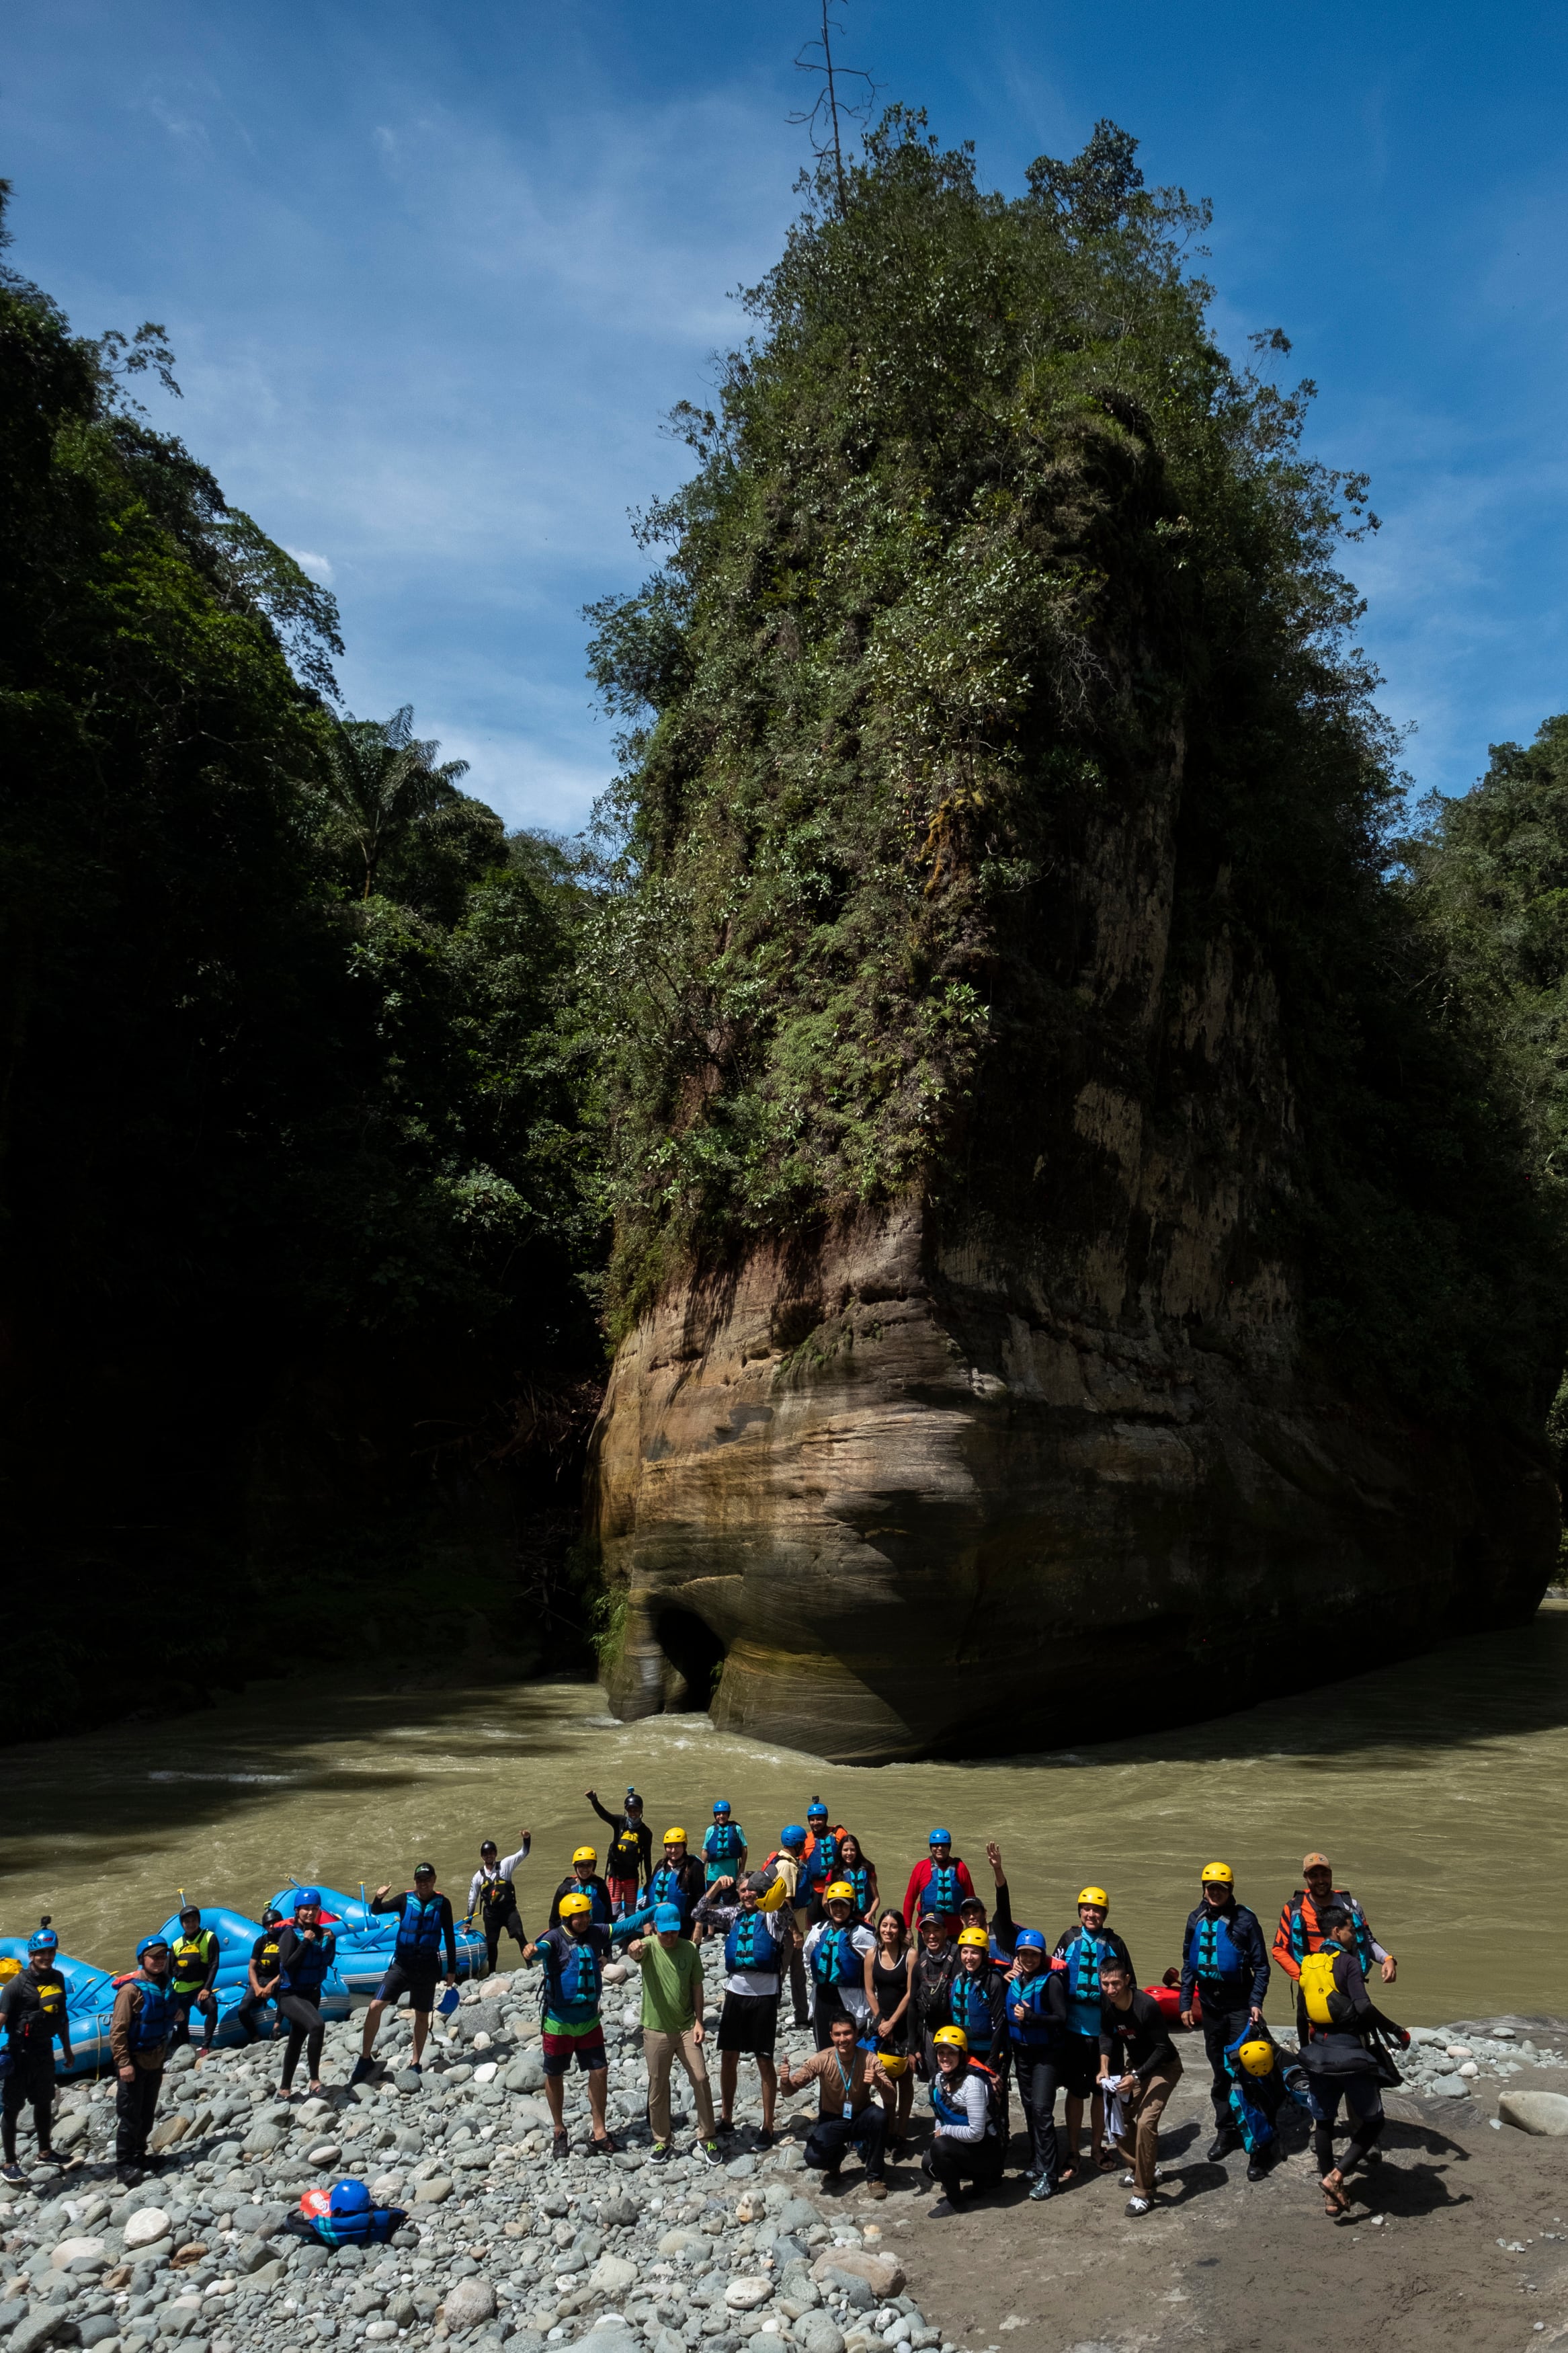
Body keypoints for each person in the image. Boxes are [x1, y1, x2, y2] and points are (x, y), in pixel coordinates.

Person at [1297, 1905, 1389, 2217]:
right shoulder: (1348, 1963)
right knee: (1375, 2120)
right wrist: (1395, 2030)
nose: (1354, 1935)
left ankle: (1330, 2197)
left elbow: (1302, 2013)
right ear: (1337, 1932)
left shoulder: (1307, 1964)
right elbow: (1363, 2008)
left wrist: (1307, 2052)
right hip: (1349, 2051)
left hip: (1318, 2050)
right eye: (1351, 1930)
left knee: (1323, 2122)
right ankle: (1337, 2176)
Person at [1179, 1862, 1270, 2169]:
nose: (1214, 1893)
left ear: (1230, 1890)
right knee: (1220, 2072)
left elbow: (1261, 1966)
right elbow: (1189, 1965)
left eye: (1220, 1888)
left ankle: (1259, 2142)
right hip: (1211, 2007)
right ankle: (1227, 2131)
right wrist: (1183, 2004)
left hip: (1240, 2006)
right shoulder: (1196, 1918)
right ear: (1204, 1890)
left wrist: (1256, 2002)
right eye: (1210, 1888)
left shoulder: (1245, 1921)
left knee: (1246, 2072)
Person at [523, 1890, 620, 2159]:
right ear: (567, 1918)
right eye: (579, 1916)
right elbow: (541, 1950)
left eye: (587, 1914)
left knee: (599, 2071)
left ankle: (599, 2132)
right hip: (559, 2023)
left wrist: (657, 1911)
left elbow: (626, 1926)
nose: (585, 1920)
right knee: (554, 2076)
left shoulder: (595, 1933)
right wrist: (532, 1949)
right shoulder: (554, 1938)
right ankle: (559, 2130)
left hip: (589, 2019)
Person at [626, 1902, 721, 2165]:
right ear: (655, 1929)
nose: (669, 1937)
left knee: (701, 2078)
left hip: (687, 2027)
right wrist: (632, 1948)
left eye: (673, 1932)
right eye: (664, 1932)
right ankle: (662, 2141)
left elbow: (697, 1987)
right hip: (656, 2030)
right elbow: (635, 1953)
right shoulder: (648, 1947)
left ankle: (707, 2137)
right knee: (658, 2084)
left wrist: (700, 2022)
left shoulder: (689, 1949)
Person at [1052, 1885, 1134, 2178]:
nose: (1091, 1914)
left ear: (1104, 1914)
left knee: (1102, 2092)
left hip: (1106, 2032)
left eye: (1097, 1910)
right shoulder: (1069, 1939)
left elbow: (1130, 1986)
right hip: (1073, 2032)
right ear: (1080, 1912)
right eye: (1086, 1909)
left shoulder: (1115, 1943)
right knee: (1075, 2093)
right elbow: (1051, 1976)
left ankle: (1097, 2148)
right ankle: (1073, 2151)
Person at [355, 1863, 458, 2083]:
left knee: (422, 2016)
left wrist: (451, 1970)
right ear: (415, 1882)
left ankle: (415, 2062)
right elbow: (377, 1911)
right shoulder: (404, 1899)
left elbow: (449, 1936)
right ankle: (365, 2059)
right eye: (420, 1879)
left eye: (427, 1879)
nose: (424, 1883)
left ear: (434, 1880)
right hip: (402, 1965)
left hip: (428, 1967)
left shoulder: (443, 1904)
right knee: (375, 2007)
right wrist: (378, 1897)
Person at [1098, 1953, 1183, 2217]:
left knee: (1146, 2123)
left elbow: (1162, 2048)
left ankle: (1143, 2193)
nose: (1111, 1990)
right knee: (1117, 2115)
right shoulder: (1108, 2004)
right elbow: (1107, 2035)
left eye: (1116, 1984)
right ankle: (1143, 2170)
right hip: (1135, 2066)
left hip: (1164, 2067)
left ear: (1127, 1980)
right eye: (1105, 1984)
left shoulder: (1146, 2006)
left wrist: (1135, 2077)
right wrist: (1103, 2068)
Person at [710, 1868, 791, 2144]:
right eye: (743, 1890)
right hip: (735, 1993)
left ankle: (768, 2126)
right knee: (728, 2057)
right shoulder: (733, 1916)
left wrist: (770, 1888)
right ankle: (726, 2118)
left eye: (752, 1890)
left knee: (763, 2059)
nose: (747, 1895)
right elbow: (698, 1913)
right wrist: (715, 1889)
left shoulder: (773, 1918)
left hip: (765, 1996)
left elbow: (787, 1915)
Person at [778, 2010, 895, 2200]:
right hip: (832, 2119)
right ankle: (834, 2162)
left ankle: (875, 2177)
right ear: (831, 2036)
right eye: (838, 2034)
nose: (843, 2039)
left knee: (879, 2117)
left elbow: (891, 2097)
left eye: (847, 2033)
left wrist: (879, 2083)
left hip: (861, 2115)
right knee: (813, 2157)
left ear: (856, 2033)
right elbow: (789, 2091)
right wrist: (785, 2081)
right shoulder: (822, 2059)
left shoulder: (869, 2059)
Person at [0, 1923, 72, 2180]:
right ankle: (9, 2164)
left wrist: (67, 2049)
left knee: (44, 2102)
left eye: (51, 1952)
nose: (47, 1957)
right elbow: (1, 2018)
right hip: (19, 2055)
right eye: (42, 1953)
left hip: (44, 2051)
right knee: (12, 2108)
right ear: (31, 1955)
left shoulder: (58, 1978)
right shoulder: (16, 1986)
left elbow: (61, 2017)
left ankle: (45, 2153)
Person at [1007, 1928, 1068, 2200]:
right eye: (1024, 1954)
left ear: (1042, 1956)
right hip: (1022, 2054)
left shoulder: (1051, 1982)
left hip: (1046, 2055)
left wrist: (1031, 2017)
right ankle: (1036, 2164)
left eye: (1034, 1955)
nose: (1029, 1959)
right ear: (1018, 1957)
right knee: (1030, 2108)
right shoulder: (1015, 1981)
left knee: (1043, 2111)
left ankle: (1050, 2177)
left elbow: (1060, 2018)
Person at [1272, 1854, 1397, 1988]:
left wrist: (1387, 1959)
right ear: (1306, 1878)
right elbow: (1279, 1950)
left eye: (1324, 1874)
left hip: (1348, 1985)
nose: (1320, 1880)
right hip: (1310, 1986)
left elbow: (1367, 1941)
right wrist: (1303, 1977)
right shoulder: (1293, 1908)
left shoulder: (1351, 1906)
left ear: (1331, 1874)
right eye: (1314, 1875)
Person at [110, 1933, 175, 2186]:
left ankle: (140, 2155)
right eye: (154, 1957)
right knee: (130, 2115)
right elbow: (118, 2031)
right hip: (134, 2062)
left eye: (163, 1956)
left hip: (155, 2058)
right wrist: (124, 2063)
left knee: (147, 2113)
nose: (159, 1961)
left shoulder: (164, 1985)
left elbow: (167, 2013)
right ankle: (124, 2164)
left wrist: (176, 2013)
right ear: (142, 1960)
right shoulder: (130, 1991)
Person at [923, 2025, 1004, 2210]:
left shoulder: (972, 2084)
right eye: (941, 2052)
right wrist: (939, 2129)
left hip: (986, 2151)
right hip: (965, 2148)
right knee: (929, 2164)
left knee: (940, 2146)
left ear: (961, 2055)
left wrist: (943, 2132)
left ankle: (956, 2201)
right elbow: (940, 2114)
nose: (945, 2057)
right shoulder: (939, 2080)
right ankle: (975, 2184)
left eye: (951, 2053)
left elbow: (976, 2133)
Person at [274, 1888, 339, 2098]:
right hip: (290, 1996)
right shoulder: (289, 1935)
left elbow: (327, 1961)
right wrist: (306, 1942)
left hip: (312, 1992)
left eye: (314, 1909)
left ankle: (284, 2090)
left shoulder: (321, 1933)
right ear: (297, 1911)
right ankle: (314, 2082)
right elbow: (289, 1965)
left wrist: (332, 1942)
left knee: (296, 2039)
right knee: (317, 2026)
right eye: (306, 1909)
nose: (310, 1913)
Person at [804, 1882, 878, 2050]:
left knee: (850, 2049)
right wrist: (816, 1977)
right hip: (822, 1996)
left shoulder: (861, 1934)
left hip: (850, 1999)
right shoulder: (819, 1930)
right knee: (824, 2049)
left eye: (843, 1905)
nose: (839, 1909)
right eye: (834, 1904)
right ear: (828, 1906)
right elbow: (807, 1957)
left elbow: (875, 1964)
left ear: (851, 1906)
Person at [866, 1909, 915, 2142]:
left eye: (893, 1926)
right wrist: (881, 2023)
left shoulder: (911, 1955)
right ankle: (888, 2125)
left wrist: (893, 2022)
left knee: (905, 2079)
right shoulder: (871, 1954)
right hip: (881, 2023)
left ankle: (902, 2129)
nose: (888, 1930)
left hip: (904, 2022)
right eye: (884, 1925)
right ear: (879, 1929)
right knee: (884, 2078)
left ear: (901, 1930)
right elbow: (869, 1990)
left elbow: (910, 1992)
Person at [766, 1825, 813, 2026]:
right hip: (786, 1931)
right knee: (779, 1974)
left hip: (793, 1930)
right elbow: (785, 1902)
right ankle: (767, 2015)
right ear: (798, 1844)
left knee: (799, 1974)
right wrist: (795, 1933)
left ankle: (802, 2015)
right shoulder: (786, 1867)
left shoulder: (786, 1862)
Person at [468, 1835, 531, 1975]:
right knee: (492, 1943)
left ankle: (531, 1967)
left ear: (495, 1854)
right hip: (491, 1915)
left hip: (509, 1912)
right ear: (482, 1857)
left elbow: (523, 1853)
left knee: (520, 1935)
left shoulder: (506, 1865)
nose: (489, 1856)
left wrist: (527, 1840)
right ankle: (492, 1973)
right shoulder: (478, 1877)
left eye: (491, 1853)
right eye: (485, 1854)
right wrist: (469, 1920)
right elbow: (472, 1898)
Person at [588, 1788, 653, 1916]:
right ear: (626, 1810)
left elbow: (647, 1859)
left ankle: (629, 1936)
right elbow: (604, 1815)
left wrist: (649, 1882)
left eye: (636, 1810)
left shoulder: (646, 1832)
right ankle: (614, 1934)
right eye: (630, 1810)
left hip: (631, 1877)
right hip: (615, 1876)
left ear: (641, 1811)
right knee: (613, 1911)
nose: (633, 1813)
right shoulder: (620, 1822)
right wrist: (594, 1801)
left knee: (630, 1912)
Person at [909, 1910, 959, 2076]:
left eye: (936, 1930)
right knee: (934, 2080)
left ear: (946, 1931)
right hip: (929, 2030)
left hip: (956, 2029)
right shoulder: (919, 1964)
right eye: (927, 1932)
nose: (931, 1936)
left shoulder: (960, 1958)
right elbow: (912, 2006)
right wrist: (913, 2047)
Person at [168, 1905, 220, 2061]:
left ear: (199, 1921)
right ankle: (183, 2048)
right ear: (182, 1924)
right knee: (182, 2021)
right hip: (181, 1991)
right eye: (187, 1922)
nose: (191, 1924)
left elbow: (214, 1964)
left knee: (212, 2007)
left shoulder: (209, 1938)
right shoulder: (176, 1945)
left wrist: (207, 1988)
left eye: (194, 1921)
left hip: (199, 1989)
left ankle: (205, 2045)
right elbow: (168, 1971)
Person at [901, 1830, 977, 1930]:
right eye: (936, 1845)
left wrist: (973, 1927)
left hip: (953, 1929)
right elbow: (910, 1899)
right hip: (927, 1929)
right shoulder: (921, 1867)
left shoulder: (961, 1868)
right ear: (931, 1847)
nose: (940, 1849)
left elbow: (971, 1900)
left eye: (944, 1845)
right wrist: (907, 1929)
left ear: (949, 1847)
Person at [958, 1843, 1018, 1958]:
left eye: (975, 1911)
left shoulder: (1000, 1927)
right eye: (967, 1914)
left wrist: (997, 1868)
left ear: (985, 1913)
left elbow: (1003, 1898)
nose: (972, 1917)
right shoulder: (965, 1943)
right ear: (962, 1919)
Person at [237, 1907, 285, 2043]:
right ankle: (255, 2037)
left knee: (285, 2000)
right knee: (242, 2010)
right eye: (268, 1924)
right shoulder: (261, 1942)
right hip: (260, 1979)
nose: (271, 1926)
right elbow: (252, 1968)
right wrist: (257, 1987)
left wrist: (270, 1986)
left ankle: (276, 2028)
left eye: (274, 1923)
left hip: (279, 1979)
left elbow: (286, 1968)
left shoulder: (286, 1940)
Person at [646, 1829, 705, 1931]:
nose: (673, 1850)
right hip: (658, 1923)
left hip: (683, 1925)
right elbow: (649, 1892)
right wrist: (646, 1922)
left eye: (677, 1846)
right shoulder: (661, 1864)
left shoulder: (693, 1867)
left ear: (684, 1846)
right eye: (669, 1846)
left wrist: (698, 1927)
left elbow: (701, 1899)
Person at [548, 1847, 614, 1929]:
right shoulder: (565, 1888)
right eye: (581, 1865)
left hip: (596, 1933)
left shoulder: (600, 1886)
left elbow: (609, 1914)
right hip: (571, 1936)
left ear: (593, 1867)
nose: (585, 1869)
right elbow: (555, 1918)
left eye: (589, 1865)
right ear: (576, 1867)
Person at [798, 1800, 840, 1919]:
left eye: (819, 1819)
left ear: (826, 1819)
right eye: (812, 1820)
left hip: (835, 1888)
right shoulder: (806, 1839)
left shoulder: (838, 1834)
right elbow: (802, 1865)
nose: (815, 1823)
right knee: (815, 1926)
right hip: (815, 1891)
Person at [834, 1831, 879, 1925]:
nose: (849, 1853)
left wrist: (870, 1913)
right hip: (845, 1919)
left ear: (857, 1851)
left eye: (853, 1850)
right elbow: (827, 1901)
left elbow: (876, 1899)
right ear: (840, 1851)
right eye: (846, 1850)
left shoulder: (868, 1869)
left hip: (865, 1917)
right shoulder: (836, 1872)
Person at [702, 1801, 748, 1886]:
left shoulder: (737, 1829)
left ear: (728, 1814)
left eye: (724, 1813)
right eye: (718, 1814)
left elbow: (744, 1850)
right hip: (713, 1877)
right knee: (712, 1899)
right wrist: (701, 1868)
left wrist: (741, 1870)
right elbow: (705, 1850)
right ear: (715, 1815)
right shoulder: (710, 1830)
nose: (721, 1816)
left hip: (732, 1876)